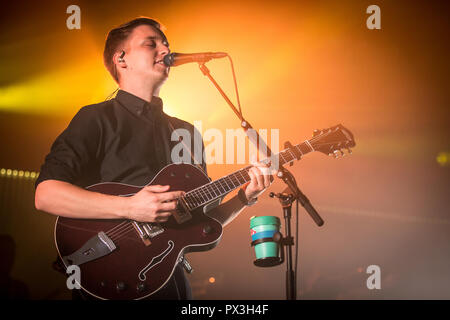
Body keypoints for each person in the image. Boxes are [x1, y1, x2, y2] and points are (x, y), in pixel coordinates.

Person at [34, 17, 272, 300]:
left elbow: (203, 224)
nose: (164, 50)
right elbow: (46, 195)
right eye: (151, 44)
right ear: (121, 59)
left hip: (167, 280)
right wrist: (130, 207)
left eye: (166, 44)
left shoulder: (185, 132)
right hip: (109, 273)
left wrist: (245, 197)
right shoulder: (96, 119)